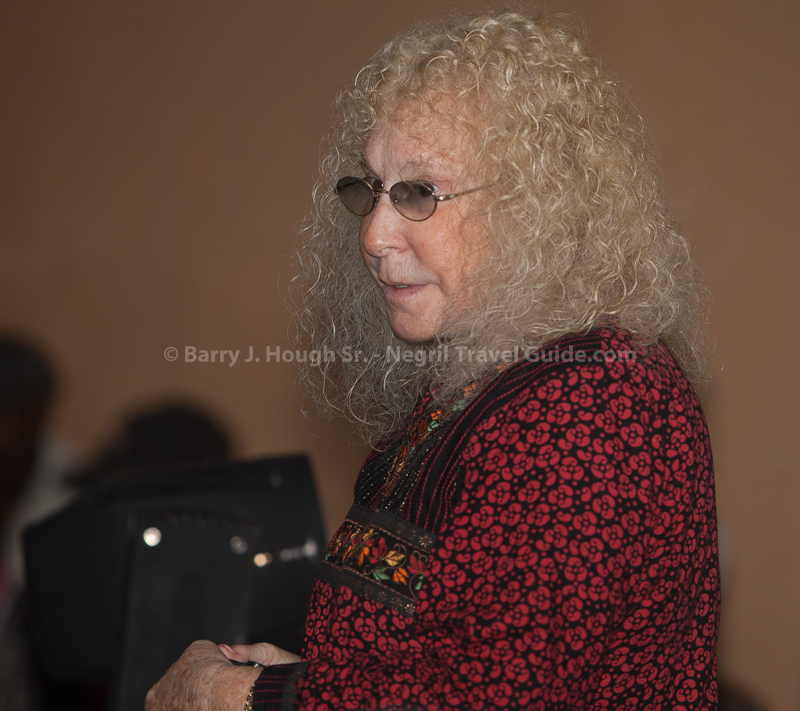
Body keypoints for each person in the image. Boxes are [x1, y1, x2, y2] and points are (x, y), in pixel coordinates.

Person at [147, 10, 719, 711]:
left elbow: (497, 697)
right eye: (371, 189)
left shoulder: (595, 405)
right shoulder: (484, 382)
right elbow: (443, 664)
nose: (374, 234)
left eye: (418, 192)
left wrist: (244, 696)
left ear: (536, 203)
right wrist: (302, 680)